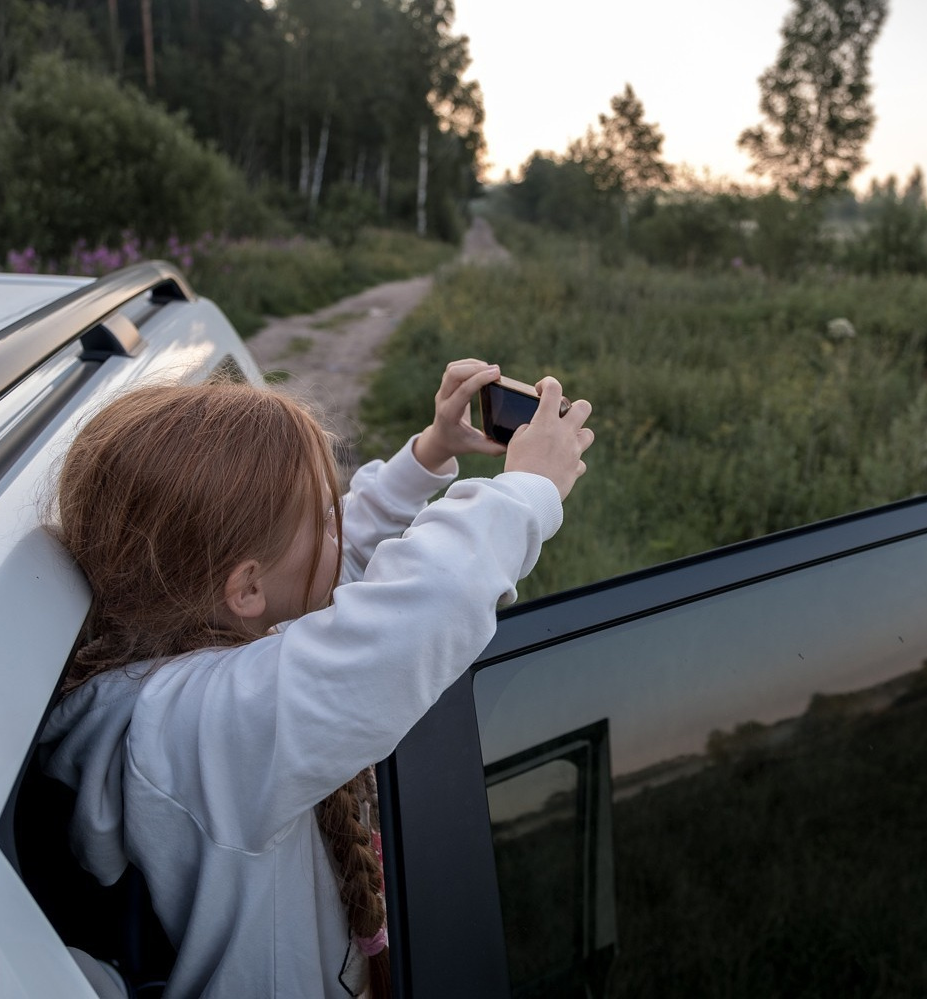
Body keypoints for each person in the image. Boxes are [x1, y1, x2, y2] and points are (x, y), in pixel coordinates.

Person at [39, 360, 593, 999]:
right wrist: (526, 491)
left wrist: (430, 453)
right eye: (326, 516)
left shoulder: (199, 640)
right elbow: (414, 615)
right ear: (246, 587)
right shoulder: (197, 729)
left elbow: (321, 563)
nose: (341, 523)